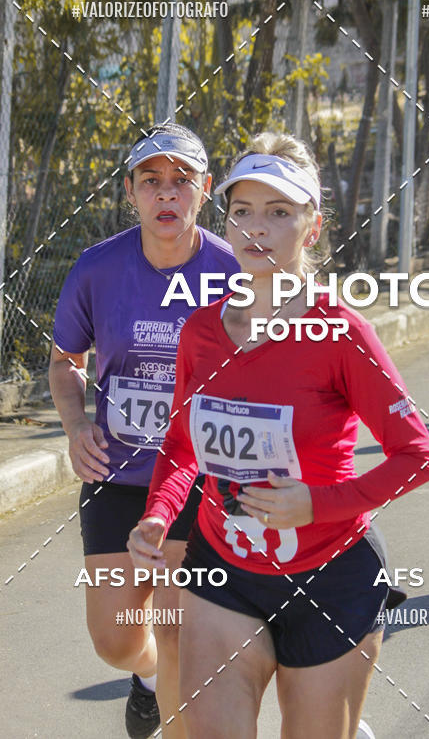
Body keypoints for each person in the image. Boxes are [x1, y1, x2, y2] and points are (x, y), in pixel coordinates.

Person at [128, 133, 429, 739]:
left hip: (331, 575)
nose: (256, 229)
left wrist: (315, 503)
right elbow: (182, 446)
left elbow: (418, 456)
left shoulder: (340, 332)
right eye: (242, 212)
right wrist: (159, 516)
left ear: (312, 227)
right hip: (224, 571)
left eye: (279, 212)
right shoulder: (200, 332)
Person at [49, 123, 238, 739]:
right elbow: (63, 360)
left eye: (181, 181)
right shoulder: (97, 269)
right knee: (117, 640)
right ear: (130, 191)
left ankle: (174, 699)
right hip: (118, 474)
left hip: (196, 478)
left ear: (204, 190)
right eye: (151, 181)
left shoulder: (234, 271)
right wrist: (76, 426)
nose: (167, 194)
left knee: (178, 629)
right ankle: (148, 678)